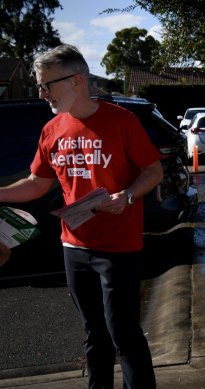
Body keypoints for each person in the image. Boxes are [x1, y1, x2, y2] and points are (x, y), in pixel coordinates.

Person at [0, 44, 161, 388]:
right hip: (73, 245)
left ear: (77, 81)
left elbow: (153, 171)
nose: (42, 94)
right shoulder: (52, 130)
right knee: (94, 333)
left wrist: (128, 194)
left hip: (118, 246)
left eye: (47, 85)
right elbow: (36, 183)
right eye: (39, 86)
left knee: (123, 332)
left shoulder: (121, 121)